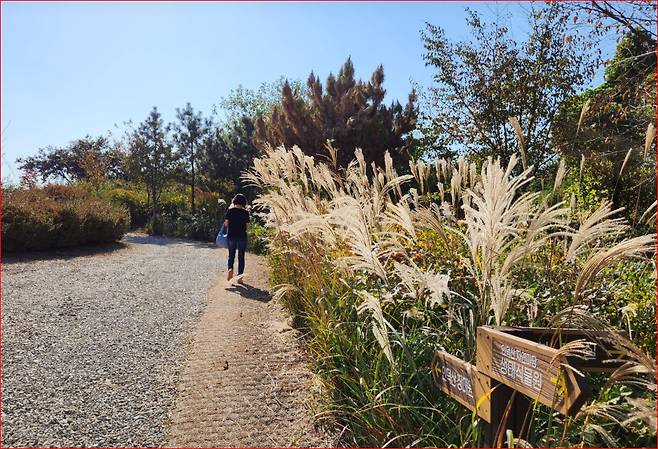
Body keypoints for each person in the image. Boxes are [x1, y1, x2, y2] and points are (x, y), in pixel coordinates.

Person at [223, 193, 250, 283]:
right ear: (244, 202)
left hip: (231, 235)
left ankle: (230, 269)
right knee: (241, 256)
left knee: (231, 255)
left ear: (234, 201)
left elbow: (226, 224)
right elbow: (248, 226)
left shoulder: (230, 211)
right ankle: (239, 277)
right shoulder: (246, 212)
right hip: (242, 236)